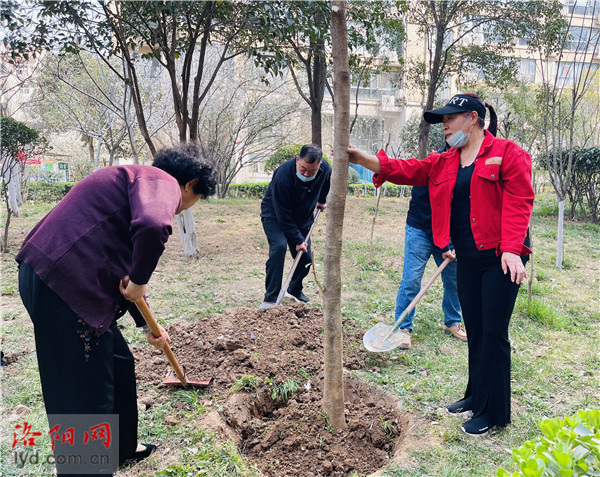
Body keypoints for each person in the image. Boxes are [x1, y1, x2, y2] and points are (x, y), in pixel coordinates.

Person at [16, 143, 217, 474]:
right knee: (82, 391)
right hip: (63, 286)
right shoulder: (160, 182)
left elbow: (125, 282)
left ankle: (122, 447)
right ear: (190, 183)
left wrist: (149, 325)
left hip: (67, 282)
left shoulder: (133, 184)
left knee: (119, 363)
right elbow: (153, 227)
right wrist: (141, 280)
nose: (187, 207)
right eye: (197, 197)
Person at [348, 93, 534, 437]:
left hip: (500, 260)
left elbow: (520, 200)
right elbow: (408, 170)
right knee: (475, 329)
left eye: (451, 118)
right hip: (468, 258)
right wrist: (364, 159)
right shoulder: (446, 160)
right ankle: (475, 396)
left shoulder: (507, 153)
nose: (445, 125)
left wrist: (511, 249)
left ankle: (495, 413)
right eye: (443, 120)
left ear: (474, 118)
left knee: (493, 334)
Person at [393, 145, 464, 350]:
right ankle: (402, 328)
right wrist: (444, 243)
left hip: (449, 235)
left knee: (454, 279)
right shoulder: (434, 166)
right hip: (421, 229)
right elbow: (431, 213)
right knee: (412, 280)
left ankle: (452, 322)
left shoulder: (467, 169)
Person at [259, 144, 331, 308]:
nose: (306, 174)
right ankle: (271, 298)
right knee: (278, 247)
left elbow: (327, 180)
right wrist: (298, 239)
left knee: (305, 259)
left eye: (312, 171)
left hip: (303, 217)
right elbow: (283, 214)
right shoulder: (283, 175)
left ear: (319, 165)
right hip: (275, 215)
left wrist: (322, 199)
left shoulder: (325, 168)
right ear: (297, 159)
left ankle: (294, 289)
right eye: (303, 169)